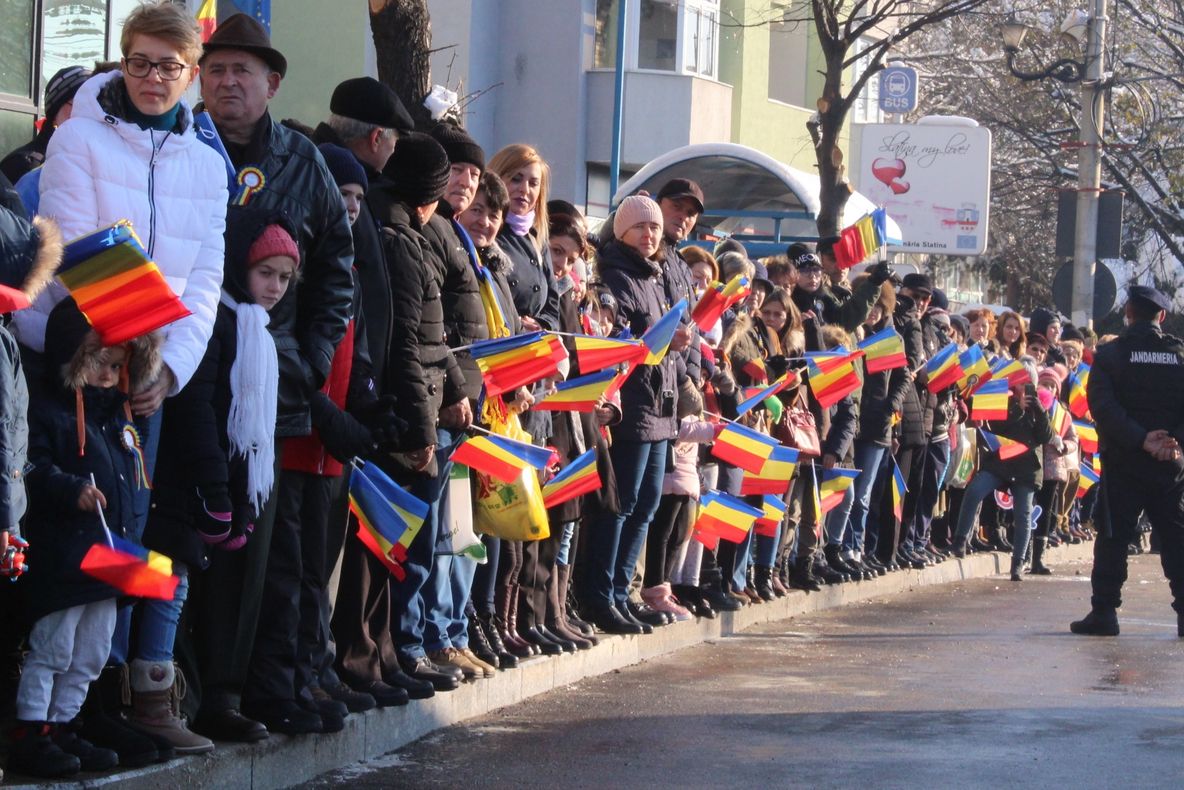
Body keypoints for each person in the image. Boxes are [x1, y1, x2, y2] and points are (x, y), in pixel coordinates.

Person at [22, 2, 230, 763]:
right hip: (79, 362)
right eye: (138, 62)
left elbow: (206, 279)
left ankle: (101, 699)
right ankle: (41, 716)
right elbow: (78, 243)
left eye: (169, 67)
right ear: (122, 60)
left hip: (149, 378)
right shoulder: (78, 136)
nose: (152, 78)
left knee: (132, 537)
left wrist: (168, 368)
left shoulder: (206, 164)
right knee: (75, 537)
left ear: (190, 73)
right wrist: (128, 358)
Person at [190, 13, 353, 740]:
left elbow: (336, 275)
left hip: (273, 390)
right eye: (216, 69)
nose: (228, 82)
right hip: (186, 378)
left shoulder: (303, 161)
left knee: (266, 553)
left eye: (243, 72)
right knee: (187, 537)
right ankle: (176, 691)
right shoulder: (178, 143)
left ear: (272, 83)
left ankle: (251, 689)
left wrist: (310, 361)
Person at [144, 213, 298, 744]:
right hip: (196, 486)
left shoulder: (259, 328)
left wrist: (241, 495)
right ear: (239, 268)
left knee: (222, 595)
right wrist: (216, 493)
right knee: (177, 593)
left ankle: (216, 699)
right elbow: (200, 411)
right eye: (265, 274)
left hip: (234, 483)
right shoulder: (214, 320)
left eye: (283, 277)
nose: (275, 287)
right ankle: (173, 701)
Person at [9, 299, 161, 777]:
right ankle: (31, 731)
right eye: (98, 360)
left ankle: (66, 723)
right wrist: (69, 489)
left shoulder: (116, 418)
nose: (106, 373)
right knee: (54, 646)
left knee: (93, 648)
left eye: (117, 365)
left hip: (106, 556)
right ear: (73, 356)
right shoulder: (50, 410)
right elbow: (30, 466)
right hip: (66, 557)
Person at [1070, 286, 1184, 637]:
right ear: (1161, 317)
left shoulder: (1111, 355)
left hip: (1124, 463)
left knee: (1114, 537)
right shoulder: (1179, 355)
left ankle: (1104, 612)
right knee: (1177, 538)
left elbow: (1102, 408)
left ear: (1128, 313)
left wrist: (1140, 439)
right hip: (1170, 464)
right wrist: (1172, 441)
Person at [587, 195, 678, 634]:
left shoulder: (656, 275)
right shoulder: (616, 274)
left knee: (647, 503)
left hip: (661, 405)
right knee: (620, 504)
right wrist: (656, 341)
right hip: (634, 404)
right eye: (640, 227)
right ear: (621, 232)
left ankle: (621, 590)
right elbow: (618, 338)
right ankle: (600, 594)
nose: (649, 235)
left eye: (655, 228)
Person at [950, 359, 1054, 580]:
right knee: (975, 490)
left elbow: (1045, 436)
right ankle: (960, 539)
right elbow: (997, 426)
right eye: (1020, 381)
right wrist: (1018, 408)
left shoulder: (1039, 405)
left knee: (1023, 514)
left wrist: (1038, 411)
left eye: (1027, 382)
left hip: (1026, 468)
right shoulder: (1004, 400)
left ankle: (1018, 562)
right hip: (1002, 461)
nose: (1023, 387)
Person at [0, 66, 92, 183]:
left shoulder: (95, 165)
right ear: (54, 114)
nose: (85, 111)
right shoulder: (23, 164)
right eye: (78, 103)